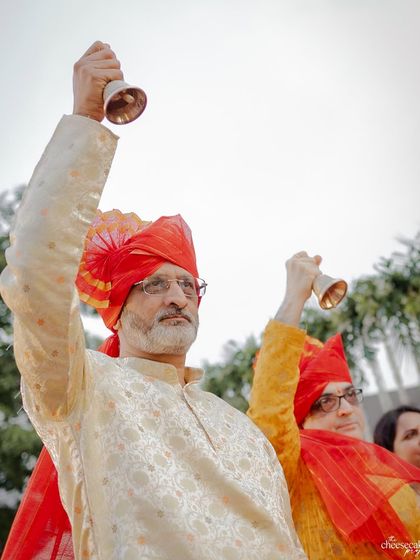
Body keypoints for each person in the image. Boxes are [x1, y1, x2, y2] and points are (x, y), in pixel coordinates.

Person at [0, 42, 306, 560]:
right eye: (155, 284)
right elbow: (33, 279)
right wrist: (85, 121)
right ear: (116, 310)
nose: (178, 297)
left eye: (188, 285)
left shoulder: (239, 429)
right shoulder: (84, 390)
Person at [247, 251, 420, 559]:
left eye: (350, 395)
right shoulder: (292, 474)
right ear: (301, 422)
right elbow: (269, 409)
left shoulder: (391, 483)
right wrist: (294, 298)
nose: (345, 409)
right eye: (324, 402)